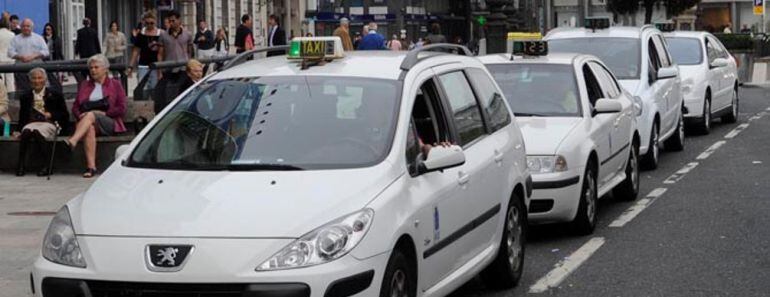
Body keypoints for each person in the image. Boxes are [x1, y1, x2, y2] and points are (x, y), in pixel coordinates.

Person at [66, 54, 127, 178]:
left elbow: (121, 108)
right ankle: (91, 167)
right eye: (91, 68)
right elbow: (75, 107)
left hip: (109, 121)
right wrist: (80, 115)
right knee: (89, 127)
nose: (93, 70)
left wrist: (104, 113)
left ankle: (73, 140)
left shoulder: (115, 84)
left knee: (91, 115)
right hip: (86, 122)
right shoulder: (84, 85)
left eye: (96, 67)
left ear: (105, 69)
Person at [15, 68, 69, 176]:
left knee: (36, 131)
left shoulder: (55, 94)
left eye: (39, 78)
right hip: (31, 122)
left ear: (44, 80)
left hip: (50, 123)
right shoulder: (25, 96)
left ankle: (47, 164)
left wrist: (51, 114)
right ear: (30, 81)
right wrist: (18, 130)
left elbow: (64, 114)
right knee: (26, 132)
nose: (37, 81)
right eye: (34, 78)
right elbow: (22, 116)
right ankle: (21, 164)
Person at [8, 19, 48, 96]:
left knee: (39, 91)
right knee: (23, 92)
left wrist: (34, 56)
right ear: (21, 27)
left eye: (28, 26)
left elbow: (46, 52)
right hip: (21, 69)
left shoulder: (39, 38)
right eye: (23, 26)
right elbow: (10, 52)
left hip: (37, 69)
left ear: (32, 27)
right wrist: (20, 57)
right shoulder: (15, 39)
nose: (26, 28)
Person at [127, 12, 162, 91]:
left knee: (155, 88)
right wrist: (130, 66)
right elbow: (136, 51)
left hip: (156, 65)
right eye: (147, 23)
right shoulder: (141, 34)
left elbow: (162, 52)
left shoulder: (160, 34)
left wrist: (161, 68)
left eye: (151, 23)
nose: (149, 25)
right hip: (143, 64)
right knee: (142, 88)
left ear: (155, 22)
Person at [157, 10, 193, 79]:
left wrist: (190, 66)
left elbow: (189, 52)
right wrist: (159, 71)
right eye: (169, 21)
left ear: (179, 20)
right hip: (168, 68)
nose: (171, 23)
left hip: (183, 67)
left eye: (173, 21)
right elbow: (160, 54)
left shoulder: (188, 34)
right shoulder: (163, 35)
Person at [0, 19, 15, 90]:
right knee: (10, 80)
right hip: (10, 59)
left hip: (0, 60)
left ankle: (1, 97)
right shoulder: (12, 34)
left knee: (1, 80)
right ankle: (11, 97)